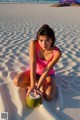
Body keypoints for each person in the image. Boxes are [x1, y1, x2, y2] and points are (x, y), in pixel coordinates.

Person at [13, 24, 62, 101]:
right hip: (34, 72)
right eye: (41, 40)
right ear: (38, 39)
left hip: (47, 74)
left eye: (47, 41)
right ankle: (33, 83)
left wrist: (38, 87)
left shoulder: (57, 52)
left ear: (52, 40)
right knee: (17, 82)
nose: (44, 44)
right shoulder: (33, 44)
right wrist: (32, 86)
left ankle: (49, 83)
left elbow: (47, 69)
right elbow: (33, 63)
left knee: (49, 96)